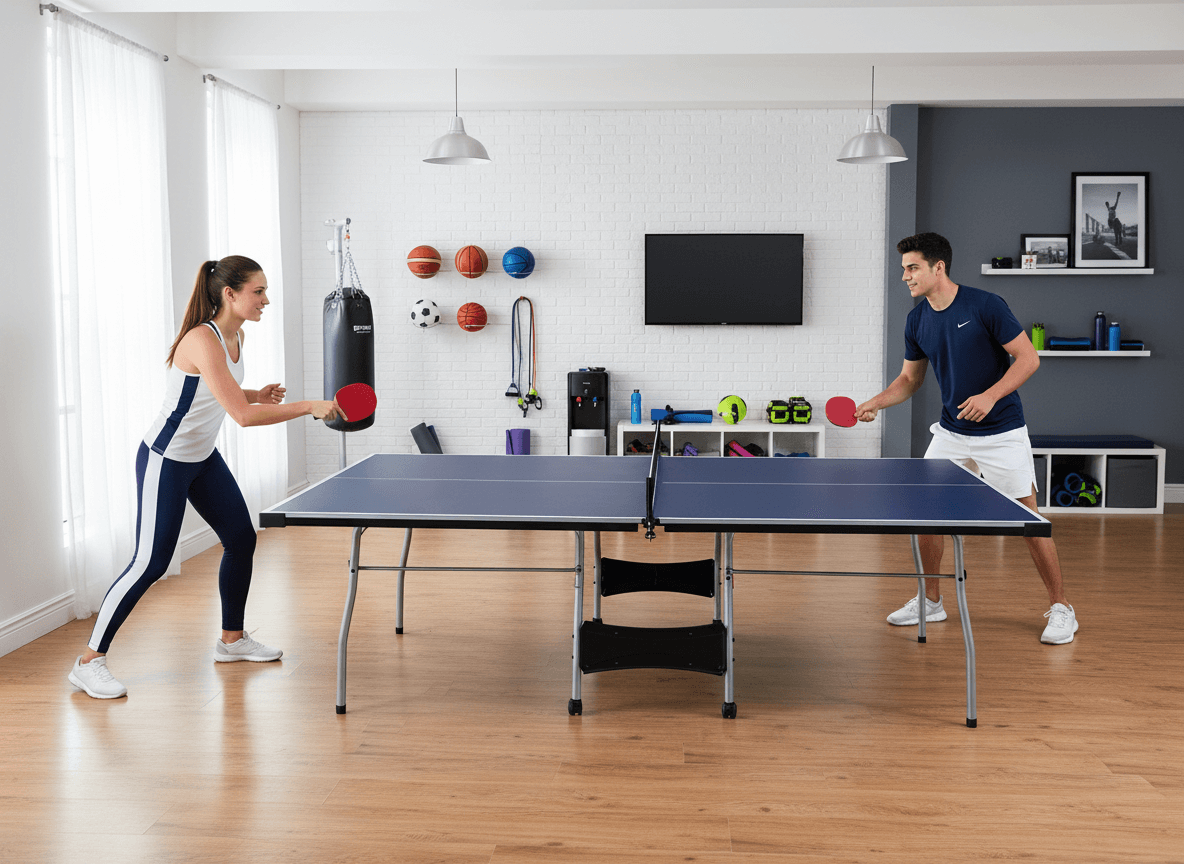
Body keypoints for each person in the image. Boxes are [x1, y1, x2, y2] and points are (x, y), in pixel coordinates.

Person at [68, 256, 342, 699]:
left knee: (241, 537)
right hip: (166, 458)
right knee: (150, 562)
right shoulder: (203, 338)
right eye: (259, 291)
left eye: (265, 291)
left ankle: (231, 641)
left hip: (202, 457)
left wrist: (255, 392)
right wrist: (309, 405)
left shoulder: (237, 336)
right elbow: (242, 416)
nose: (266, 300)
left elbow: (219, 394)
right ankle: (88, 661)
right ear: (229, 294)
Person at [855, 233, 1078, 644]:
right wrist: (876, 402)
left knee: (1030, 522)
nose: (904, 275)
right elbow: (909, 379)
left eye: (912, 267)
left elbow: (1029, 358)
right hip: (952, 432)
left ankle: (1062, 607)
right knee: (925, 515)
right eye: (904, 268)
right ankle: (932, 600)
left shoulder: (985, 305)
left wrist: (991, 395)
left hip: (1002, 432)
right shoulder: (917, 319)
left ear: (938, 267)